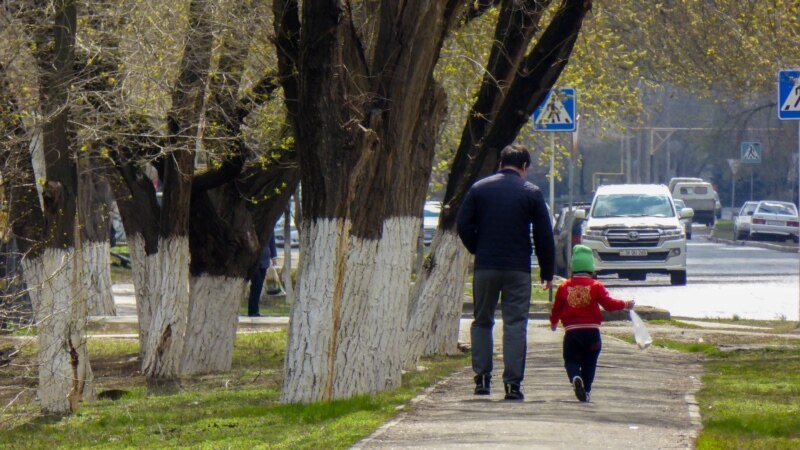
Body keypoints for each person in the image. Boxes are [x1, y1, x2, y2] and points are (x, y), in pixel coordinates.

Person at [456, 144, 555, 401]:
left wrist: (478, 248)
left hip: (486, 267)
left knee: (481, 321)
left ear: (500, 164)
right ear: (524, 167)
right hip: (518, 269)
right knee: (515, 325)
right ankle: (512, 385)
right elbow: (543, 235)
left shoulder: (479, 189)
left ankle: (482, 379)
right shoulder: (531, 193)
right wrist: (547, 271)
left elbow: (463, 225)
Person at [549, 244, 634, 403]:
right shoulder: (596, 286)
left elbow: (557, 308)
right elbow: (608, 304)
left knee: (571, 360)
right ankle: (586, 390)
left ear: (573, 267)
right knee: (590, 362)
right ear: (591, 268)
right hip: (592, 333)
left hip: (572, 333)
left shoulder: (564, 287)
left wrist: (554, 323)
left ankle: (575, 377)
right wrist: (626, 304)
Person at [247, 234, 279, 317]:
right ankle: (253, 310)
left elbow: (272, 241)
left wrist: (274, 257)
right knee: (256, 285)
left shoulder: (269, 225)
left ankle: (254, 310)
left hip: (264, 261)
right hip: (254, 260)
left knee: (259, 286)